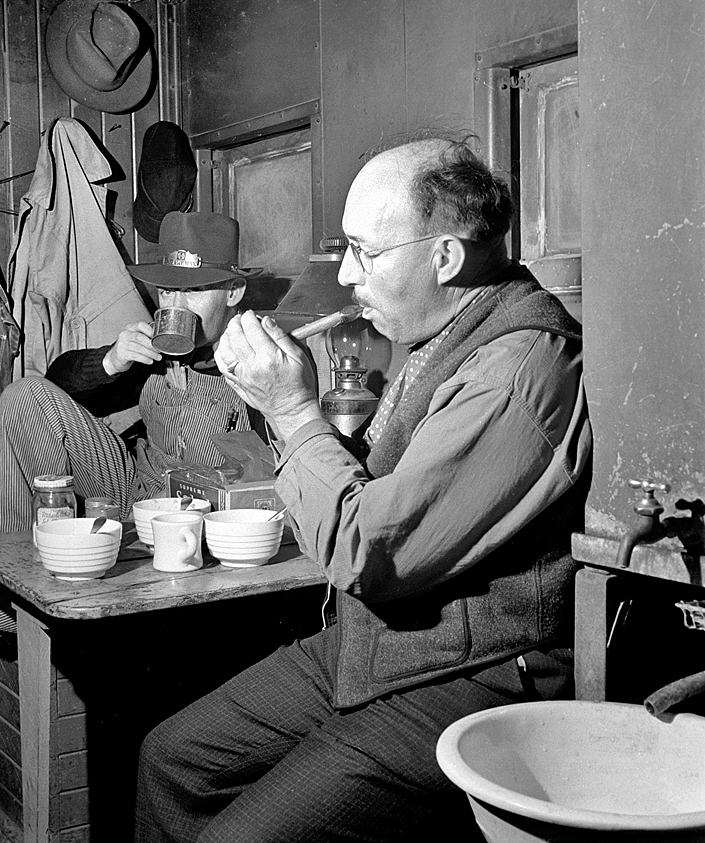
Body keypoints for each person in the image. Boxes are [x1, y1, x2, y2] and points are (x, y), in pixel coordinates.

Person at [133, 132, 592, 842]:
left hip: (475, 673)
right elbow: (378, 491)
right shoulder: (446, 336)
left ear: (444, 255)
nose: (346, 275)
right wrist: (292, 410)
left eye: (364, 252)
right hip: (388, 642)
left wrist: (290, 410)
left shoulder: (517, 368)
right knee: (171, 758)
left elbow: (368, 552)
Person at [0, 211, 263, 661]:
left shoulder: (263, 355)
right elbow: (54, 383)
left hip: (198, 524)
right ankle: (13, 581)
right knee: (25, 396)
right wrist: (111, 361)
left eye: (195, 291)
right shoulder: (153, 351)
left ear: (234, 291)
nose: (177, 308)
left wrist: (241, 371)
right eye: (168, 290)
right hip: (129, 492)